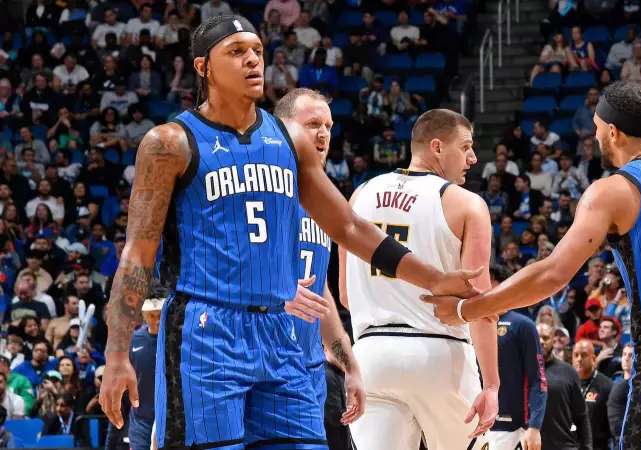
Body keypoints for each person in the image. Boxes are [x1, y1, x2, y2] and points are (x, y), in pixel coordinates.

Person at [99, 14, 481, 450]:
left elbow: (350, 226)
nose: (252, 61)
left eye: (257, 51)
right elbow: (138, 255)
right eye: (236, 52)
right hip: (207, 333)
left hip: (283, 336)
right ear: (203, 67)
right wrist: (117, 353)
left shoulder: (290, 140)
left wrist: (434, 278)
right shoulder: (169, 143)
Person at [423, 81, 641, 450]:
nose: (595, 138)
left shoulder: (615, 190)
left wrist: (469, 309)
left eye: (597, 130)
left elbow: (552, 273)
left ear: (613, 132)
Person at [340, 108, 500, 449]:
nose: (473, 158)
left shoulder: (360, 194)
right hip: (439, 356)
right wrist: (492, 385)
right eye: (466, 147)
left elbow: (345, 295)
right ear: (437, 148)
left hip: (371, 357)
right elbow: (480, 304)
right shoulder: (467, 204)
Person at [273, 88, 366, 423]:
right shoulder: (265, 190)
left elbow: (319, 293)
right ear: (281, 129)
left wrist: (350, 366)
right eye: (313, 124)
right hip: (261, 366)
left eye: (328, 126)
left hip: (309, 370)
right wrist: (273, 294)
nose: (324, 134)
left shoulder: (324, 202)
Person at [485, 265, 547, 450]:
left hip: (512, 428)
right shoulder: (471, 325)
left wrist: (534, 426)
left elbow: (538, 379)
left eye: (488, 282)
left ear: (504, 286)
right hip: (476, 424)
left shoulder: (522, 325)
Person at [128, 280, 164, 450]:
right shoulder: (134, 340)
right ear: (143, 314)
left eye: (160, 314)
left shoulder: (179, 341)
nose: (156, 320)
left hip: (170, 416)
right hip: (140, 418)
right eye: (151, 315)